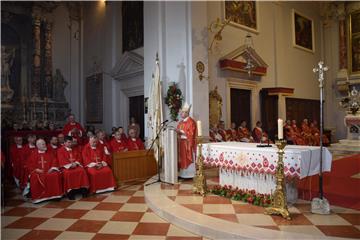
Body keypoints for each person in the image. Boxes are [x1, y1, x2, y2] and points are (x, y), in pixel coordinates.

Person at [23, 139, 63, 203]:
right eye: (43, 144)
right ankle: (40, 197)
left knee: (55, 175)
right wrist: (36, 169)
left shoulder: (50, 152)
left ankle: (54, 196)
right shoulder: (33, 154)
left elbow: (55, 161)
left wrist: (52, 168)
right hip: (38, 172)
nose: (45, 145)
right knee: (34, 177)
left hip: (49, 171)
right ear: (38, 145)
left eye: (45, 144)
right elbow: (29, 164)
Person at [176, 102, 196, 178]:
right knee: (182, 158)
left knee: (187, 158)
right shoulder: (180, 122)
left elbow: (191, 133)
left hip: (188, 143)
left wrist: (180, 132)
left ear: (187, 113)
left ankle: (190, 174)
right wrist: (177, 132)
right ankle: (182, 174)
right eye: (181, 112)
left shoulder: (191, 122)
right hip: (181, 143)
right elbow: (178, 131)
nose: (181, 114)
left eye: (182, 112)